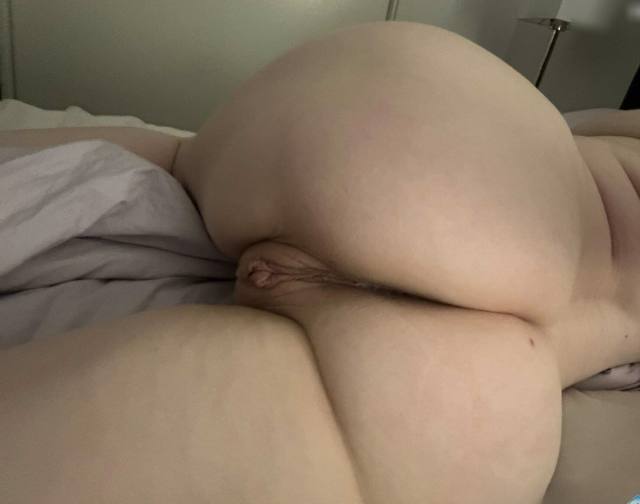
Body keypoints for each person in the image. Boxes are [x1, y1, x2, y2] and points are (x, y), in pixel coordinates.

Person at [1, 21, 639, 503]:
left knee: (172, 159)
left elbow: (590, 125)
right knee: (442, 450)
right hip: (489, 319)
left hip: (407, 109)